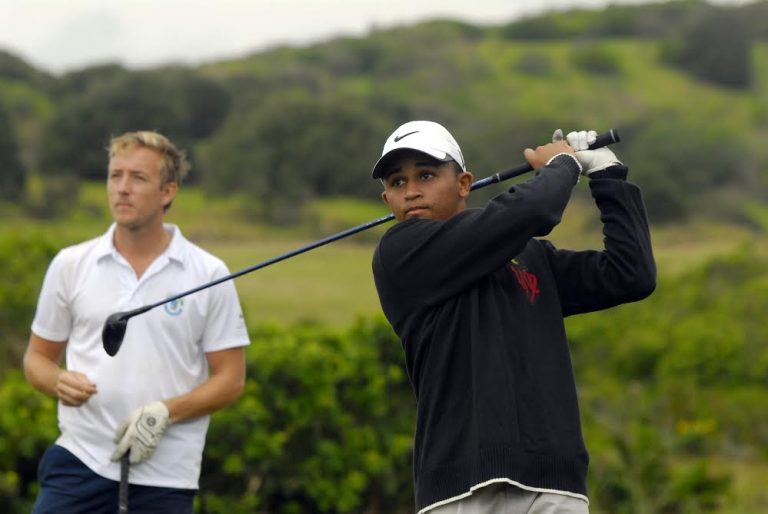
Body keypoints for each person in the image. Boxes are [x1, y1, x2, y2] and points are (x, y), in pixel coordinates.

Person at [370, 121, 656, 514]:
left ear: (464, 183)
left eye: (426, 175)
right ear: (387, 198)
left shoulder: (531, 256)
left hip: (552, 485)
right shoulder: (399, 253)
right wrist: (561, 165)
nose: (412, 191)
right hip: (460, 491)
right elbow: (531, 210)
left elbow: (630, 273)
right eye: (398, 182)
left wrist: (609, 176)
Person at [23, 131, 250, 513]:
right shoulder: (70, 264)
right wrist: (57, 380)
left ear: (167, 192)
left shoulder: (208, 272)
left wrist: (166, 412)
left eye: (138, 178)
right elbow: (36, 359)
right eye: (115, 175)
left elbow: (231, 379)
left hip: (166, 478)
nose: (122, 188)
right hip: (79, 462)